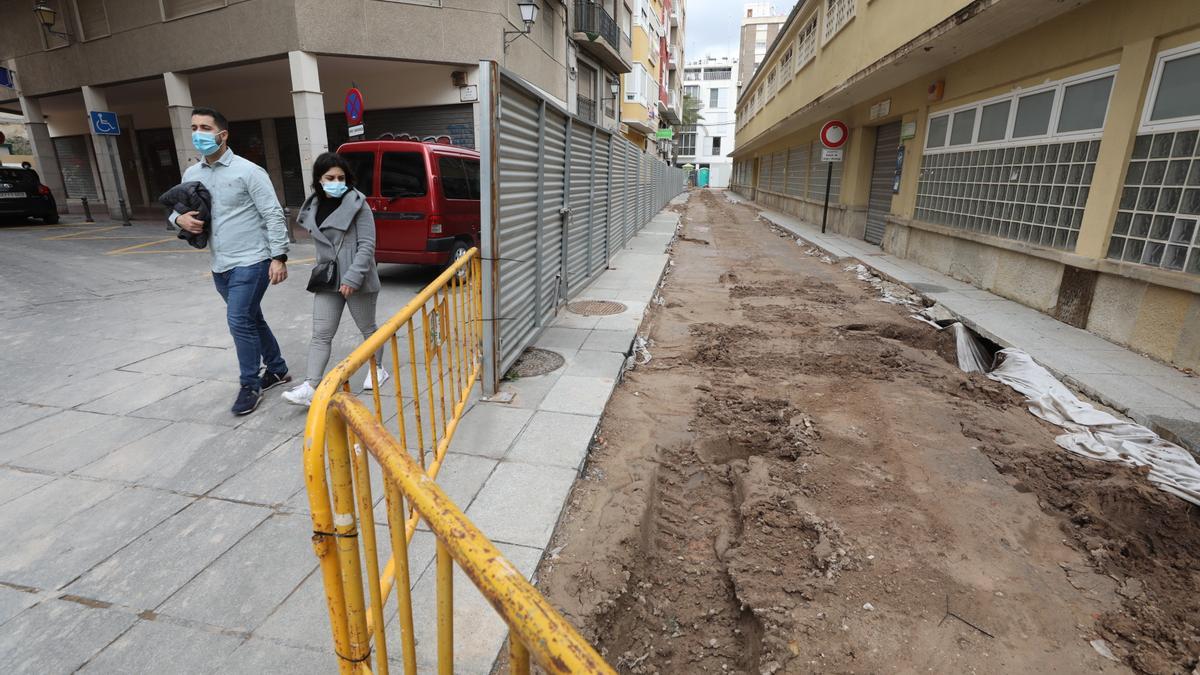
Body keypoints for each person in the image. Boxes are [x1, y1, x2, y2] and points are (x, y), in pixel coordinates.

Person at [170, 107, 291, 416]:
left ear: (222, 135)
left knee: (239, 321)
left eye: (206, 128)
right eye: (195, 127)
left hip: (253, 260)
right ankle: (277, 369)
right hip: (219, 264)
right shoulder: (192, 174)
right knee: (251, 318)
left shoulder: (248, 171)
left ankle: (250, 384)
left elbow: (273, 214)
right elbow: (176, 210)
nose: (199, 134)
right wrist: (178, 219)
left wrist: (278, 256)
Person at [283, 152, 385, 407]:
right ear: (319, 179)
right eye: (330, 177)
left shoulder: (358, 204)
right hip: (328, 278)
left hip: (356, 277)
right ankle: (310, 386)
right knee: (321, 333)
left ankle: (379, 369)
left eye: (341, 177)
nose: (336, 181)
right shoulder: (313, 206)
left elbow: (367, 245)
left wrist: (352, 277)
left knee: (367, 328)